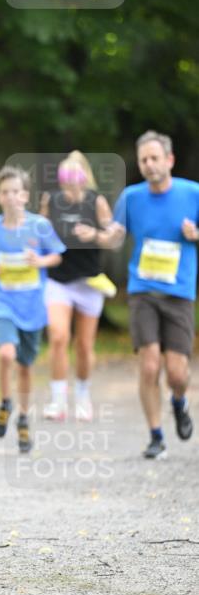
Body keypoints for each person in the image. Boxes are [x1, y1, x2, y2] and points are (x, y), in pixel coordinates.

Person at [107, 130, 198, 459]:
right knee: (148, 366)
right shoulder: (131, 198)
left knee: (176, 372)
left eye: (154, 158)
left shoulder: (193, 193)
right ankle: (156, 435)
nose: (148, 164)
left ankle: (179, 400)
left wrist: (196, 234)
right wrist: (111, 235)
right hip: (142, 289)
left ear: (169, 160)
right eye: (143, 159)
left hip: (179, 292)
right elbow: (114, 240)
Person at [0, 165, 65, 452]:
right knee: (6, 353)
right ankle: (5, 402)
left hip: (33, 305)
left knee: (26, 366)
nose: (11, 197)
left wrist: (39, 262)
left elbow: (56, 256)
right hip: (2, 300)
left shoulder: (39, 225)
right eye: (5, 192)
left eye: (16, 191)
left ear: (25, 195)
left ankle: (24, 419)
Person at [40, 151, 115, 421]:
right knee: (59, 337)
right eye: (64, 177)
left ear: (84, 177)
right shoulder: (52, 201)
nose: (68, 182)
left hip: (89, 282)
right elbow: (40, 231)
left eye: (74, 176)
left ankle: (83, 394)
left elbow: (113, 237)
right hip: (58, 280)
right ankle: (58, 400)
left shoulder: (97, 202)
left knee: (84, 345)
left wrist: (94, 234)